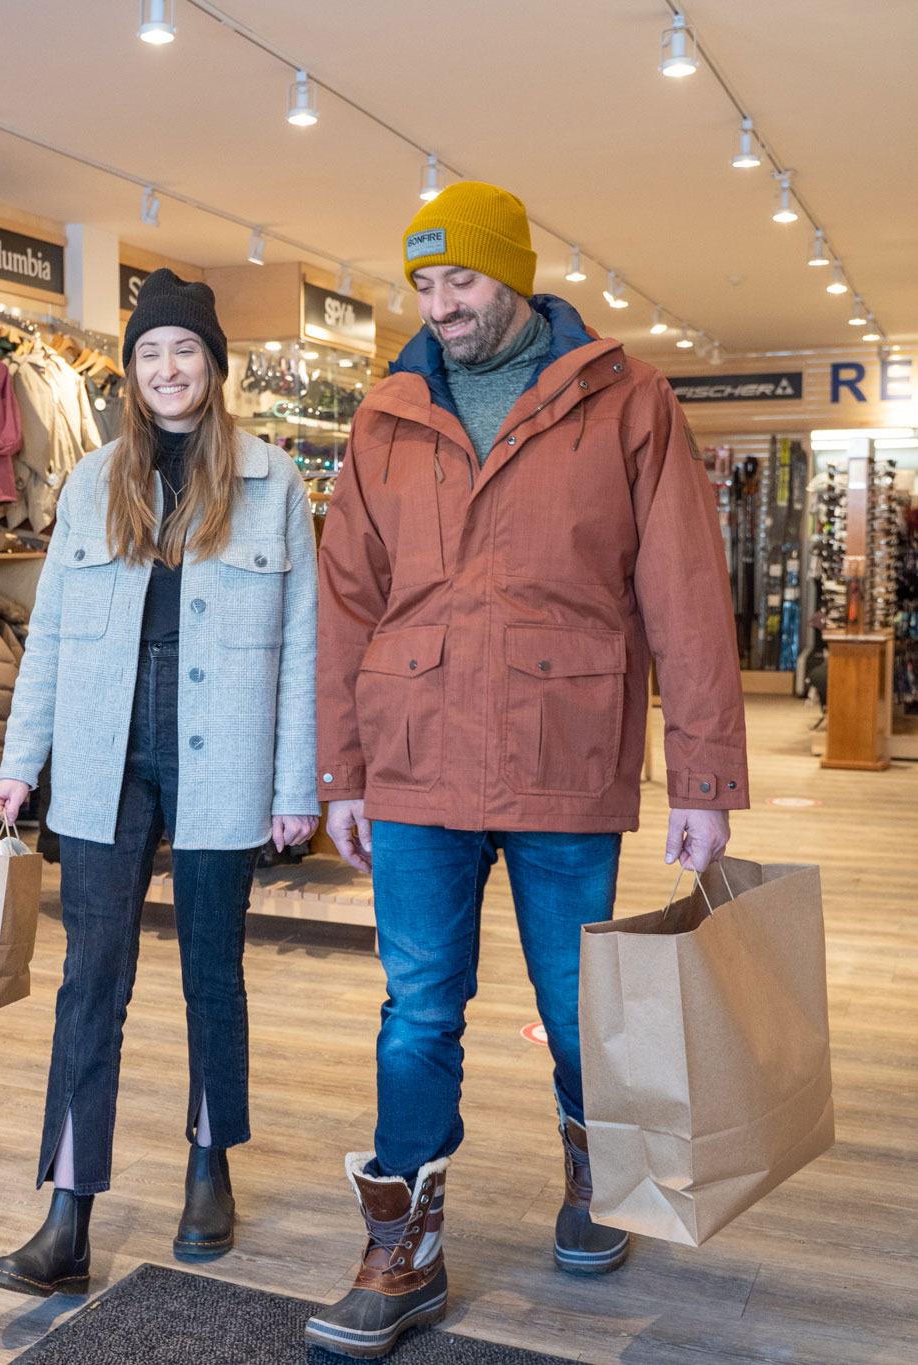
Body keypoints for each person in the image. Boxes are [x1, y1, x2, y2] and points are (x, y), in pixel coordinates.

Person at [305, 182, 748, 1359]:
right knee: (417, 1014)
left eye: (464, 281)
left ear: (517, 277)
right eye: (425, 285)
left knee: (574, 1010)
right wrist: (339, 772)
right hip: (412, 761)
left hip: (566, 751)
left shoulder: (624, 399)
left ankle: (592, 1173)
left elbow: (688, 596)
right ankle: (404, 1249)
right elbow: (347, 600)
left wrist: (703, 783)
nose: (442, 306)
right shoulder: (385, 415)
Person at [0, 269, 319, 1297]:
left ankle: (209, 1162)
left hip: (224, 746)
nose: (168, 370)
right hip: (102, 749)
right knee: (92, 977)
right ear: (130, 373)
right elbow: (48, 638)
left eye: (185, 352)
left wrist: (295, 779)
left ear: (214, 368)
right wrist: (17, 764)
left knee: (213, 971)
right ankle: (68, 1209)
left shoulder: (274, 481)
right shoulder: (92, 483)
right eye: (150, 354)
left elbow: (306, 641)